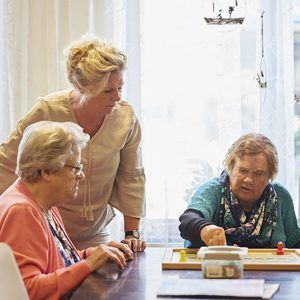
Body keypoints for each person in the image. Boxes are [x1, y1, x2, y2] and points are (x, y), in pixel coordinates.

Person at [0, 37, 146, 252]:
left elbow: (131, 177)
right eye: (107, 91)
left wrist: (131, 233)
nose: (116, 97)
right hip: (45, 228)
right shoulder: (48, 111)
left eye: (120, 88)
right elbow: (6, 164)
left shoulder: (125, 118)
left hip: (94, 231)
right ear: (81, 86)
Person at [0, 121, 133, 299]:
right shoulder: (21, 211)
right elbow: (28, 290)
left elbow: (56, 262)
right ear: (46, 171)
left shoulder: (43, 203)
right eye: (76, 168)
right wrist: (88, 264)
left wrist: (88, 255)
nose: (81, 175)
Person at [179, 133, 300, 248]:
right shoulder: (213, 190)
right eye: (242, 171)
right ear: (230, 168)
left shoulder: (281, 197)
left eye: (258, 173)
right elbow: (187, 220)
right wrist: (204, 229)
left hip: (270, 270)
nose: (248, 180)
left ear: (269, 176)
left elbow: (295, 245)